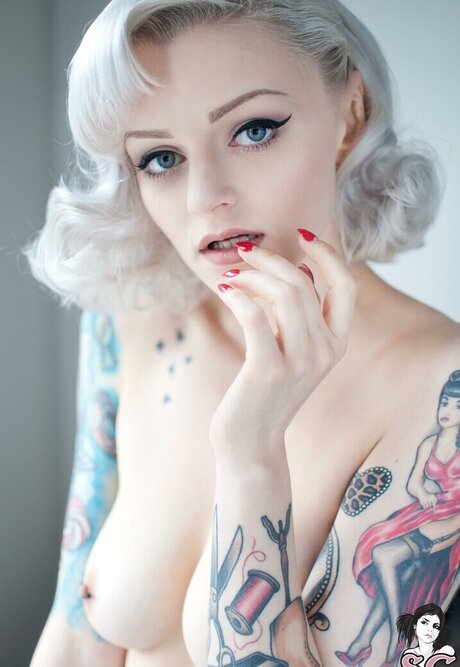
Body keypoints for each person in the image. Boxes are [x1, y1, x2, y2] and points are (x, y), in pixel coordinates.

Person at [24, 1, 459, 666]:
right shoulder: (131, 318)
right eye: (161, 157)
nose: (204, 197)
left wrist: (251, 447)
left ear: (350, 115)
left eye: (253, 131)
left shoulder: (442, 394)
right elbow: (76, 637)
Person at [335, 373, 460, 666]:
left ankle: (399, 633)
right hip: (430, 510)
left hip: (451, 521)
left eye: (457, 406)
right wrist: (423, 493)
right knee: (395, 574)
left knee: (384, 555)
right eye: (445, 402)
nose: (447, 411)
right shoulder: (429, 444)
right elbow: (414, 483)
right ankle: (362, 643)